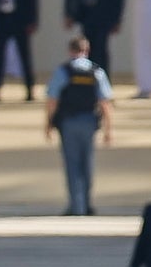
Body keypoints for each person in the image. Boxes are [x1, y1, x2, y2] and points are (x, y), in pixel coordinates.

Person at [48, 38, 114, 215]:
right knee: (88, 163)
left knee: (72, 164)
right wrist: (109, 130)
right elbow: (105, 103)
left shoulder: (64, 71)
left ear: (70, 50)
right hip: (89, 121)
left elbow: (52, 99)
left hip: (69, 121)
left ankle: (76, 205)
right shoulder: (96, 71)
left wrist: (48, 123)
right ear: (87, 50)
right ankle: (86, 203)